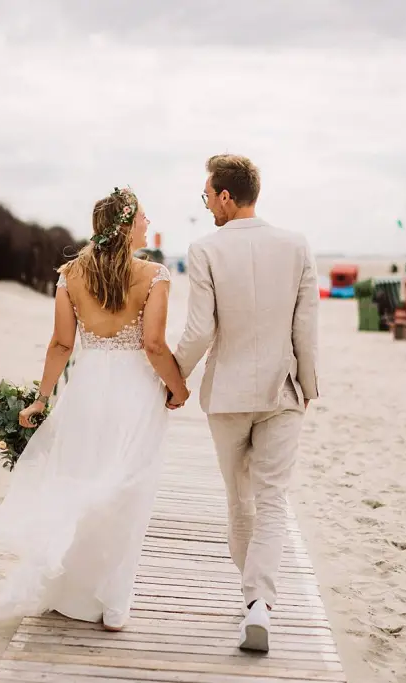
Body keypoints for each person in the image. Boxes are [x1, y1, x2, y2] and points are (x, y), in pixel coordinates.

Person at [0, 187, 190, 631]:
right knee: (127, 490)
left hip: (86, 390)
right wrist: (177, 388)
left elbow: (62, 343)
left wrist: (43, 397)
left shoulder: (70, 275)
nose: (147, 222)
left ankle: (70, 591)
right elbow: (155, 345)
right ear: (126, 226)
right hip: (136, 392)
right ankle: (114, 602)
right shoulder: (156, 275)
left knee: (83, 477)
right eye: (142, 216)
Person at [174, 154, 320, 652]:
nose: (206, 204)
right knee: (273, 501)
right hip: (282, 392)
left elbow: (199, 331)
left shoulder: (205, 250)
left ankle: (253, 602)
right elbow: (306, 327)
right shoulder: (297, 246)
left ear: (226, 197)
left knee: (241, 501)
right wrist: (308, 387)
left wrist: (174, 378)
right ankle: (259, 603)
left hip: (228, 397)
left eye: (207, 195)